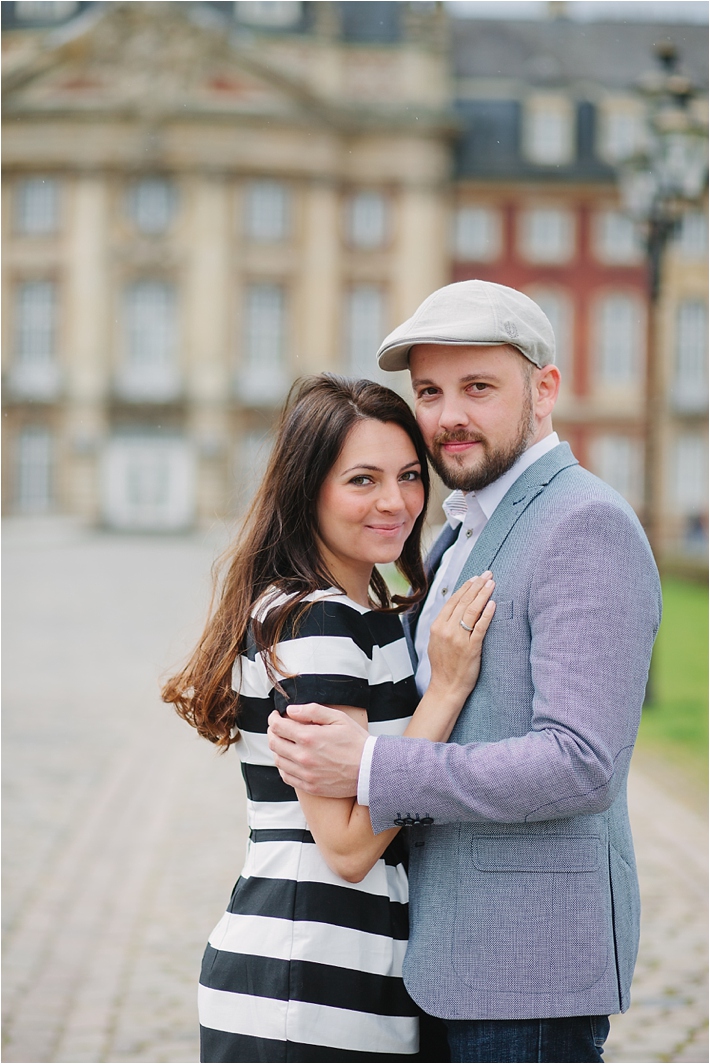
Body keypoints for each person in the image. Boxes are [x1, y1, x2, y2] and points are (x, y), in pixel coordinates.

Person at [267, 281, 663, 1064]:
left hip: (526, 968)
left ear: (544, 389)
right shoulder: (459, 532)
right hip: (440, 958)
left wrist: (377, 765)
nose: (449, 416)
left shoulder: (583, 524)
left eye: (478, 387)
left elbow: (582, 764)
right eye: (430, 392)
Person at [162, 374, 496, 1063]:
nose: (396, 501)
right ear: (308, 487)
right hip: (306, 987)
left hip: (321, 978)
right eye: (362, 480)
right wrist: (444, 695)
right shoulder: (318, 616)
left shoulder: (335, 609)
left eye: (408, 475)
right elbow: (345, 846)